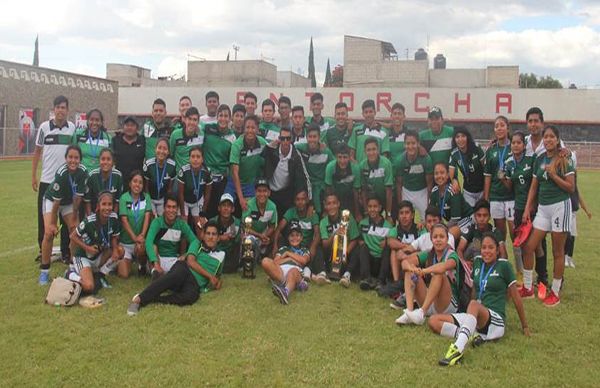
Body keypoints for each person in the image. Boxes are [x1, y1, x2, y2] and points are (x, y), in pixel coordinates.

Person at [431, 233, 529, 366]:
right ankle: (471, 335)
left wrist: (525, 326)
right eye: (484, 247)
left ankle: (457, 349)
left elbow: (516, 298)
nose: (486, 251)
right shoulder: (477, 262)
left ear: (497, 250)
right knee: (434, 321)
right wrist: (468, 315)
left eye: (490, 248)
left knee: (474, 304)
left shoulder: (504, 266)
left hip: (495, 319)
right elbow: (473, 291)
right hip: (476, 315)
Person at [520, 126, 575, 307]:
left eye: (552, 137)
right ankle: (528, 288)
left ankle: (555, 292)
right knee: (529, 246)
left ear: (558, 139)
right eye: (546, 137)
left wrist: (553, 175)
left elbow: (570, 188)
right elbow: (534, 186)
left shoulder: (564, 158)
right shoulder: (540, 159)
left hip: (560, 206)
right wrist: (528, 208)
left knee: (557, 252)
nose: (549, 140)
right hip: (543, 208)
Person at [127, 221, 223, 315]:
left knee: (191, 297)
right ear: (203, 235)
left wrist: (217, 282)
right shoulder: (197, 244)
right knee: (175, 275)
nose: (210, 237)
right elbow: (190, 261)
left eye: (214, 234)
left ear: (218, 238)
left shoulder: (221, 255)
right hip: (184, 270)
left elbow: (217, 275)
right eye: (208, 233)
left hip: (194, 284)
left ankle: (154, 299)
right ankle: (139, 300)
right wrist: (210, 276)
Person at [33, 95, 76, 263]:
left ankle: (66, 253)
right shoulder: (44, 127)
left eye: (63, 107)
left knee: (67, 221)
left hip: (66, 183)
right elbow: (37, 151)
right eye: (58, 107)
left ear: (67, 110)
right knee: (44, 219)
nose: (60, 110)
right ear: (54, 109)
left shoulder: (72, 128)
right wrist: (33, 175)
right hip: (47, 181)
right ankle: (42, 250)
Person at [39, 145, 88, 285]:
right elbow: (56, 203)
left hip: (69, 203)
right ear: (66, 158)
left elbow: (77, 199)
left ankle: (72, 267)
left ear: (80, 159)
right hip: (52, 201)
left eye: (76, 158)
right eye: (70, 157)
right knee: (49, 233)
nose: (73, 160)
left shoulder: (83, 172)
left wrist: (74, 218)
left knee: (75, 232)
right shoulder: (61, 173)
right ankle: (44, 270)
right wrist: (53, 223)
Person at [395, 223, 460, 325]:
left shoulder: (452, 255)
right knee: (410, 271)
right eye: (435, 237)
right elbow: (405, 262)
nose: (438, 240)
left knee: (439, 273)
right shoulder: (430, 253)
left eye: (442, 237)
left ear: (447, 239)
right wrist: (412, 268)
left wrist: (424, 271)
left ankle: (421, 313)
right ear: (431, 239)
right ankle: (409, 312)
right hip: (431, 301)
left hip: (447, 304)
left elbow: (442, 267)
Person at [66, 191, 123, 292]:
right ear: (98, 206)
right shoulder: (89, 221)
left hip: (98, 255)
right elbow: (73, 236)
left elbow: (114, 236)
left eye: (109, 204)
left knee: (120, 251)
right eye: (104, 204)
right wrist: (87, 248)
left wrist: (114, 250)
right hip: (84, 257)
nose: (107, 208)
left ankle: (100, 275)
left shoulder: (113, 218)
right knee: (89, 286)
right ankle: (70, 274)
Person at [271, 189, 324, 284]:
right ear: (294, 201)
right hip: (292, 243)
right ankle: (280, 268)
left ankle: (319, 272)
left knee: (317, 247)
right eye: (298, 199)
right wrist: (275, 245)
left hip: (306, 245)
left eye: (303, 199)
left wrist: (313, 247)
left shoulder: (312, 214)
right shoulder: (291, 212)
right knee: (281, 240)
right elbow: (279, 229)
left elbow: (317, 233)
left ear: (307, 200)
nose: (300, 202)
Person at [502, 131, 535, 283]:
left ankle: (539, 276)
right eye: (513, 143)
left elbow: (536, 184)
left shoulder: (531, 159)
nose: (515, 145)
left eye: (518, 142)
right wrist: (503, 179)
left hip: (533, 206)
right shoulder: (509, 163)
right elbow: (510, 187)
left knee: (535, 244)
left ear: (524, 145)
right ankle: (523, 275)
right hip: (518, 207)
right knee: (519, 242)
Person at [145, 194, 200, 279]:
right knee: (153, 246)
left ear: (177, 209)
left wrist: (187, 254)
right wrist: (156, 263)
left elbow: (195, 241)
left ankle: (164, 276)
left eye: (174, 207)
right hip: (158, 259)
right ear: (164, 208)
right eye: (168, 207)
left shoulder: (181, 224)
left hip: (174, 260)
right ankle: (155, 272)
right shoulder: (157, 222)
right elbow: (148, 242)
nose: (171, 210)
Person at [262, 126, 311, 219]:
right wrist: (268, 146)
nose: (285, 141)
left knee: (285, 223)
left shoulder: (296, 155)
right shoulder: (272, 150)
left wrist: (310, 202)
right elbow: (261, 158)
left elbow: (305, 177)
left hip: (286, 193)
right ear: (279, 139)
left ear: (291, 139)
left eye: (288, 138)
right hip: (270, 193)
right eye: (282, 138)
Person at [483, 116, 515, 248]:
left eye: (502, 125)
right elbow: (488, 176)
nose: (499, 128)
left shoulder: (515, 145)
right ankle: (503, 263)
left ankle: (520, 268)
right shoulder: (491, 150)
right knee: (500, 235)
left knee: (515, 234)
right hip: (496, 197)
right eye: (496, 126)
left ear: (508, 128)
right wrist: (486, 198)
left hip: (512, 196)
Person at [262, 221, 310, 305]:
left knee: (293, 270)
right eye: (292, 235)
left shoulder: (304, 250)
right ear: (288, 238)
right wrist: (289, 259)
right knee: (265, 261)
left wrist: (288, 254)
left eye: (297, 235)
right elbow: (276, 262)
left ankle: (285, 292)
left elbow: (304, 260)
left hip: (296, 272)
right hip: (281, 272)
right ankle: (286, 283)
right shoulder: (283, 248)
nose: (295, 238)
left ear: (301, 237)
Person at [203, 104, 237, 219]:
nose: (223, 118)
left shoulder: (232, 137)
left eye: (226, 116)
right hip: (206, 177)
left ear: (230, 118)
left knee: (219, 208)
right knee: (204, 208)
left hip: (222, 179)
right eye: (220, 115)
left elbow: (232, 161)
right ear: (217, 117)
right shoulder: (207, 128)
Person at [319, 192, 360, 286]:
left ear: (338, 204)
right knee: (318, 248)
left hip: (346, 253)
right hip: (331, 254)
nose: (332, 206)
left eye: (334, 203)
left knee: (359, 248)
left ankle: (347, 275)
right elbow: (325, 245)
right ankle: (323, 273)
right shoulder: (323, 222)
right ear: (325, 206)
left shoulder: (346, 217)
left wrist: (345, 253)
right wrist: (334, 234)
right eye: (329, 204)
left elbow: (355, 239)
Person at [357, 196, 397, 291]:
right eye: (370, 206)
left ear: (379, 208)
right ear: (367, 208)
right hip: (369, 262)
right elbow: (359, 239)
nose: (372, 209)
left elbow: (393, 240)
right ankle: (366, 279)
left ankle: (381, 281)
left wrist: (387, 241)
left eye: (375, 206)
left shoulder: (388, 226)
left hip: (381, 262)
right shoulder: (362, 224)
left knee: (388, 248)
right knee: (362, 247)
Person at [229, 115, 267, 212]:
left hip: (251, 183)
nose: (250, 130)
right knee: (226, 206)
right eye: (247, 127)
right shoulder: (236, 145)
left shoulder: (262, 143)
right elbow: (235, 173)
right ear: (243, 129)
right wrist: (241, 198)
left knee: (249, 210)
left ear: (258, 129)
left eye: (253, 128)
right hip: (234, 182)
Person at [387, 201, 424, 301]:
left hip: (415, 265)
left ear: (412, 215)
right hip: (400, 265)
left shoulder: (419, 229)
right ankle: (396, 283)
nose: (404, 216)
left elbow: (424, 248)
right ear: (398, 216)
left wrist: (407, 250)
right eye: (401, 213)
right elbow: (390, 242)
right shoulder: (395, 229)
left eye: (407, 213)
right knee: (394, 251)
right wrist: (407, 247)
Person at [118, 170, 152, 278]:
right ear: (130, 183)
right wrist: (134, 238)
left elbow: (147, 217)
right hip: (127, 243)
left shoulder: (146, 197)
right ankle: (126, 261)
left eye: (140, 182)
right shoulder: (124, 198)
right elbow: (124, 220)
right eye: (135, 181)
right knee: (123, 274)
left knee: (141, 248)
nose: (137, 184)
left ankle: (142, 265)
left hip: (140, 241)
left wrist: (142, 235)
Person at [295, 123, 334, 214]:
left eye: (314, 137)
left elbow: (334, 166)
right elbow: (289, 146)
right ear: (306, 137)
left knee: (321, 212)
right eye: (310, 137)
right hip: (306, 187)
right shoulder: (301, 148)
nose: (312, 139)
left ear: (319, 137)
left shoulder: (326, 152)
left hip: (322, 188)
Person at [394, 129, 433, 220]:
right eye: (408, 143)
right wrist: (401, 204)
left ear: (418, 144)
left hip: (422, 192)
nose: (410, 146)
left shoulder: (426, 159)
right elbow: (399, 184)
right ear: (404, 144)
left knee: (427, 218)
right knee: (405, 219)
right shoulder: (400, 160)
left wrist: (429, 202)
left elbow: (429, 184)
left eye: (413, 143)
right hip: (407, 191)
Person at [429, 162, 473, 240]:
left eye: (442, 173)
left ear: (448, 175)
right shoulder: (434, 192)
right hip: (452, 223)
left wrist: (441, 228)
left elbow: (455, 219)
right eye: (436, 173)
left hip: (465, 220)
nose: (439, 176)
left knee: (447, 235)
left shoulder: (453, 190)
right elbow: (431, 214)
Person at [564, 153, 592, 268]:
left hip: (574, 210)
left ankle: (570, 258)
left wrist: (586, 210)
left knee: (573, 236)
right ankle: (565, 257)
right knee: (568, 235)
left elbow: (578, 194)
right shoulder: (564, 175)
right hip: (567, 209)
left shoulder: (573, 176)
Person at [177, 146, 213, 237]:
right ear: (189, 159)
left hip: (198, 200)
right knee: (183, 229)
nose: (195, 159)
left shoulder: (207, 172)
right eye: (193, 157)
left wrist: (202, 214)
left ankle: (200, 250)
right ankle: (183, 251)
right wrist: (183, 213)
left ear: (202, 159)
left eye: (198, 157)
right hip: (184, 201)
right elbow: (180, 194)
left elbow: (207, 195)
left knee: (200, 227)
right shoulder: (183, 171)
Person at [449, 126, 486, 207]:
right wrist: (454, 181)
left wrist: (486, 192)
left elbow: (486, 169)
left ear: (467, 137)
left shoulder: (476, 148)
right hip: (468, 192)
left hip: (482, 189)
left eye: (463, 136)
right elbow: (451, 173)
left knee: (482, 216)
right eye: (457, 137)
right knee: (470, 217)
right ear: (454, 139)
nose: (460, 139)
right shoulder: (454, 154)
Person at [242, 178, 279, 257]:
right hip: (251, 233)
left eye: (264, 191)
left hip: (263, 233)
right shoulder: (249, 205)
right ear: (255, 192)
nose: (262, 194)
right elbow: (245, 227)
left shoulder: (272, 207)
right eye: (259, 191)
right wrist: (259, 236)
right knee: (247, 239)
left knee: (277, 235)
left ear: (269, 193)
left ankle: (264, 253)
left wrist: (265, 236)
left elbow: (272, 226)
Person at [359, 138, 394, 221]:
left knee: (390, 222)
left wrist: (388, 213)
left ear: (378, 150)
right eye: (368, 150)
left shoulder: (386, 163)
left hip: (386, 198)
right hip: (371, 201)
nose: (371, 153)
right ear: (365, 151)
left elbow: (389, 190)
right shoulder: (362, 166)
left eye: (374, 149)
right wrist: (366, 211)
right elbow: (363, 190)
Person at [324, 144, 361, 217]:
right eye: (339, 157)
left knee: (345, 220)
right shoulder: (330, 167)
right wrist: (327, 210)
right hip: (335, 196)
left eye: (345, 157)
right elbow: (328, 189)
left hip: (349, 198)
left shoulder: (355, 168)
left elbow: (355, 191)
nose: (342, 161)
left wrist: (357, 212)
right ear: (335, 157)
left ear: (350, 157)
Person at [143, 137, 177, 216]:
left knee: (163, 219)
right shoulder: (148, 165)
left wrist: (166, 204)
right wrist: (149, 204)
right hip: (151, 198)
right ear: (155, 149)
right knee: (152, 218)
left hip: (162, 199)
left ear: (168, 151)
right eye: (159, 148)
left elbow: (170, 189)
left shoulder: (172, 166)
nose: (162, 151)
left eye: (165, 149)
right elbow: (146, 188)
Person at [209, 193, 241, 274]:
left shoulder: (237, 223)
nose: (226, 208)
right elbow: (205, 241)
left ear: (232, 209)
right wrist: (220, 238)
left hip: (230, 255)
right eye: (224, 205)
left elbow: (238, 242)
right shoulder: (212, 222)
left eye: (229, 206)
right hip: (215, 252)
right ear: (219, 208)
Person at [85, 148, 123, 214]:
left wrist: (113, 216)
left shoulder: (118, 176)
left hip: (110, 212)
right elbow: (87, 201)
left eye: (108, 159)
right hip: (95, 212)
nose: (105, 162)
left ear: (113, 162)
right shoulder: (92, 176)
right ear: (99, 161)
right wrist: (89, 217)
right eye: (103, 159)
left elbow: (117, 201)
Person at [112, 116, 145, 188]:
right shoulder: (115, 140)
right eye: (127, 125)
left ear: (137, 128)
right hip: (120, 181)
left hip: (136, 183)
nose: (129, 127)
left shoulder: (142, 140)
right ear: (123, 127)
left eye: (132, 125)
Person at [169, 106, 204, 173]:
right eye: (189, 119)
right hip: (179, 176)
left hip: (196, 175)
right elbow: (170, 154)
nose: (191, 122)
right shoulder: (175, 135)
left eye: (194, 120)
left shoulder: (201, 135)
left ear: (198, 122)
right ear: (185, 119)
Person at [388, 102, 409, 168]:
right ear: (391, 116)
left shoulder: (409, 134)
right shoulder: (385, 134)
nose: (397, 116)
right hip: (391, 172)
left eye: (399, 114)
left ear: (404, 116)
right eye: (395, 114)